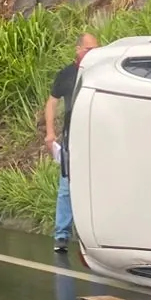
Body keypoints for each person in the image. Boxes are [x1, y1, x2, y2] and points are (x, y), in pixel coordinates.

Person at [45, 33, 98, 254]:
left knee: (96, 187)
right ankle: (62, 235)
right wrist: (50, 132)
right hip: (72, 138)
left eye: (96, 49)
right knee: (67, 187)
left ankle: (95, 236)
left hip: (96, 139)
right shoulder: (66, 75)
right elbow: (52, 103)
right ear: (78, 49)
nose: (93, 54)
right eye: (89, 49)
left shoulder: (101, 73)